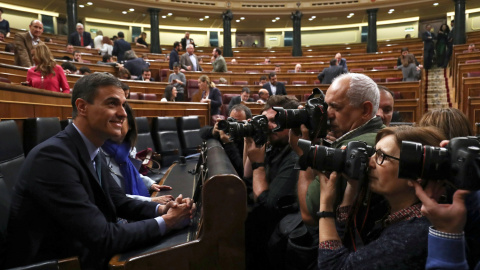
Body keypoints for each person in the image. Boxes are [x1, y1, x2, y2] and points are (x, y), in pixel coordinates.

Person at [1, 73, 195, 269]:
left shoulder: (92, 148)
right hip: (58, 264)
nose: (123, 113)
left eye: (123, 105)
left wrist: (162, 210)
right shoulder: (52, 157)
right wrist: (168, 221)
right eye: (112, 104)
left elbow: (118, 200)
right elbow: (102, 237)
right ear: (82, 107)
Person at [316, 125, 446, 270]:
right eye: (373, 153)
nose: (369, 163)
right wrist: (352, 187)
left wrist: (325, 207)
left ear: (415, 174)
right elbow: (347, 246)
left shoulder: (414, 234)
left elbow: (335, 266)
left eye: (381, 156)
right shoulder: (391, 211)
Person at [297, 73, 384, 226]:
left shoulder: (353, 148)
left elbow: (309, 213)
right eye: (326, 106)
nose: (328, 115)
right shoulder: (384, 135)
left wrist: (303, 152)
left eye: (335, 107)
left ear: (365, 110)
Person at [243, 95, 300, 269]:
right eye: (266, 121)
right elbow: (247, 176)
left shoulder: (295, 155)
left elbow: (268, 206)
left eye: (275, 121)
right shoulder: (274, 144)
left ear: (293, 123)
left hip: (274, 242)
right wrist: (249, 140)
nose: (269, 127)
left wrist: (258, 165)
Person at [102, 103, 174, 204]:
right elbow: (113, 196)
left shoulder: (128, 148)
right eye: (112, 121)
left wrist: (151, 184)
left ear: (130, 125)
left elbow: (132, 174)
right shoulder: (98, 151)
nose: (116, 124)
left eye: (120, 120)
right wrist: (151, 200)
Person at [200, 104, 252, 179]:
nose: (233, 125)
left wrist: (228, 144)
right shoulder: (226, 130)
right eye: (231, 121)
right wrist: (213, 131)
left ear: (248, 122)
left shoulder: (250, 140)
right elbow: (202, 132)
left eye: (238, 123)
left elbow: (242, 170)